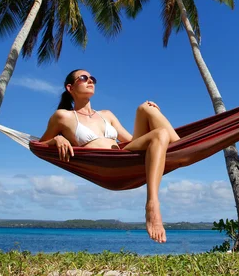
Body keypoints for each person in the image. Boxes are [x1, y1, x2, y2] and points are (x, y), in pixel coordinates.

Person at [39, 69, 180, 243]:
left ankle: (184, 148)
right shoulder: (63, 117)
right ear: (70, 88)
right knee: (160, 134)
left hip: (124, 155)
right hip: (109, 167)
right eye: (83, 78)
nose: (90, 81)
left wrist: (153, 114)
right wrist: (57, 139)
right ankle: (152, 204)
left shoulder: (106, 115)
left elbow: (131, 141)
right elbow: (39, 145)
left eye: (92, 78)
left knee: (146, 109)